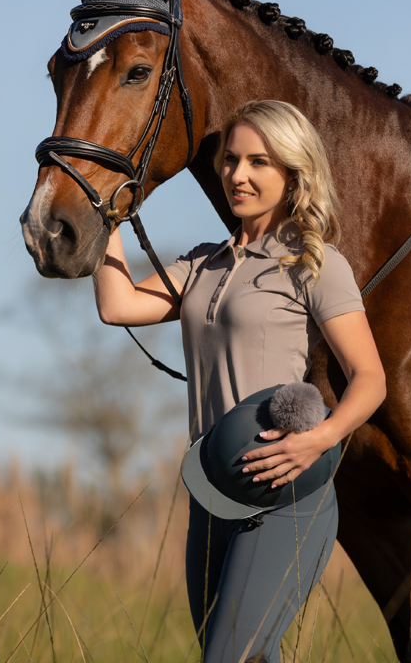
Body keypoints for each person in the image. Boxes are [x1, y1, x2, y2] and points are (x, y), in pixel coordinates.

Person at [93, 100, 386, 663]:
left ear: (293, 173)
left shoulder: (315, 263)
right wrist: (107, 218)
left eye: (258, 162)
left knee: (228, 658)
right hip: (211, 490)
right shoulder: (204, 264)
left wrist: (319, 440)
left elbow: (370, 379)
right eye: (230, 160)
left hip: (284, 493)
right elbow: (118, 303)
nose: (238, 175)